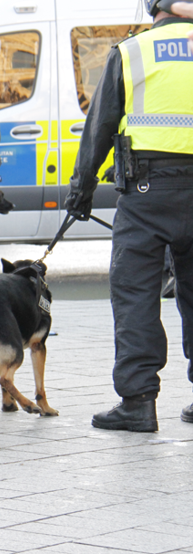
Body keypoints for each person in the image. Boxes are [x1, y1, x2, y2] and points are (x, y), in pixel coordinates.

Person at [66, 0, 193, 432]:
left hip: (147, 192)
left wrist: (81, 192)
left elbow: (100, 125)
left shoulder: (134, 51)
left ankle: (139, 402)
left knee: (136, 294)